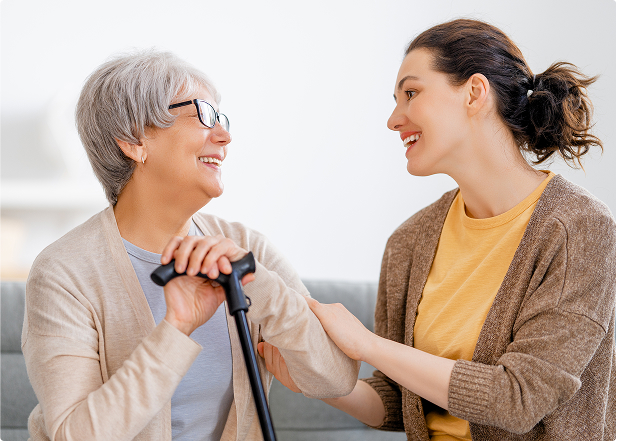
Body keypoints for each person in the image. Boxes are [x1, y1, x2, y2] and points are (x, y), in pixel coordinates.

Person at [259, 19, 615, 440]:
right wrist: (319, 383)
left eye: (411, 93)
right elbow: (398, 402)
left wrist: (367, 344)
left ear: (474, 93)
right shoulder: (409, 242)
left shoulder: (581, 230)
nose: (394, 119)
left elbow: (520, 400)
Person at [21, 50, 358, 441]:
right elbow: (74, 435)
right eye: (203, 115)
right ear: (134, 139)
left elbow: (336, 379)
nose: (225, 136)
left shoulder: (247, 249)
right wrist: (176, 329)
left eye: (222, 119)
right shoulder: (64, 271)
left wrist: (257, 285)